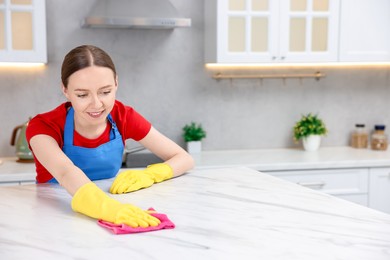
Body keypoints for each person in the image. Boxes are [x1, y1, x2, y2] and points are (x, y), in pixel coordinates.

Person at [26, 45, 194, 228]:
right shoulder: (43, 126)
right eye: (82, 95)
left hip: (116, 204)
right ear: (65, 90)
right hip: (55, 217)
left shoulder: (123, 116)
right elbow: (66, 172)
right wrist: (107, 208)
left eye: (105, 92)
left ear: (116, 83)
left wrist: (150, 175)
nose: (96, 104)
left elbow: (184, 158)